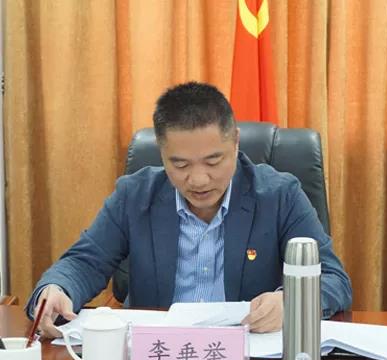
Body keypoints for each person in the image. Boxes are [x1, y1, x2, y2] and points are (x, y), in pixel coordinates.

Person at [26, 81, 352, 338]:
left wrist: (292, 301)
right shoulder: (135, 195)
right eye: (180, 164)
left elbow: (333, 279)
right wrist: (57, 289)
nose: (198, 180)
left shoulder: (279, 195)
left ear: (236, 142)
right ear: (162, 153)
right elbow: (84, 262)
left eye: (213, 161)